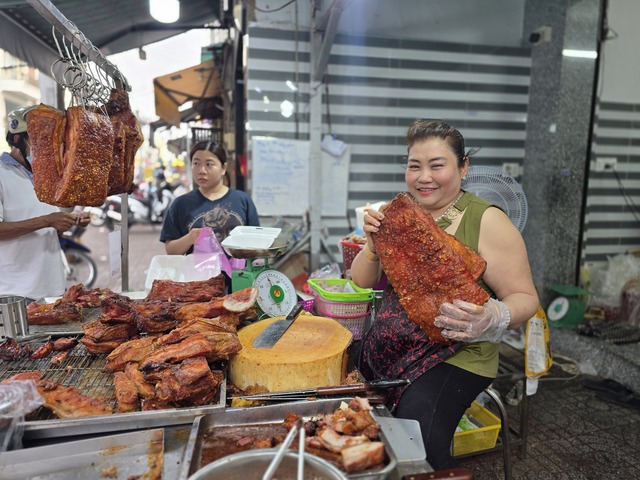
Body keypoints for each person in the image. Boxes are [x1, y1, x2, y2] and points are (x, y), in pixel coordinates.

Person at [350, 119, 539, 470]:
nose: (424, 177)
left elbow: (525, 297)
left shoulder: (488, 221)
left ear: (463, 167)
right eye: (414, 166)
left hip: (458, 356)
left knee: (417, 436)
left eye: (437, 165)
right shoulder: (402, 213)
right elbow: (361, 283)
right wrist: (373, 244)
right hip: (397, 346)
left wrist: (492, 316)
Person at [0, 106, 89, 300]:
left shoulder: (45, 177)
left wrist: (66, 221)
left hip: (51, 288)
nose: (47, 146)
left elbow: (46, 225)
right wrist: (47, 221)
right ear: (17, 139)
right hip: (14, 292)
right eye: (39, 139)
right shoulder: (1, 174)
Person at [160, 141, 260, 255]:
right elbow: (171, 251)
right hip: (195, 272)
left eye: (209, 164)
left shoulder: (243, 201)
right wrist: (190, 238)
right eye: (196, 163)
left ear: (223, 168)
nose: (202, 171)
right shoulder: (180, 204)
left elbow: (256, 243)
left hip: (238, 272)